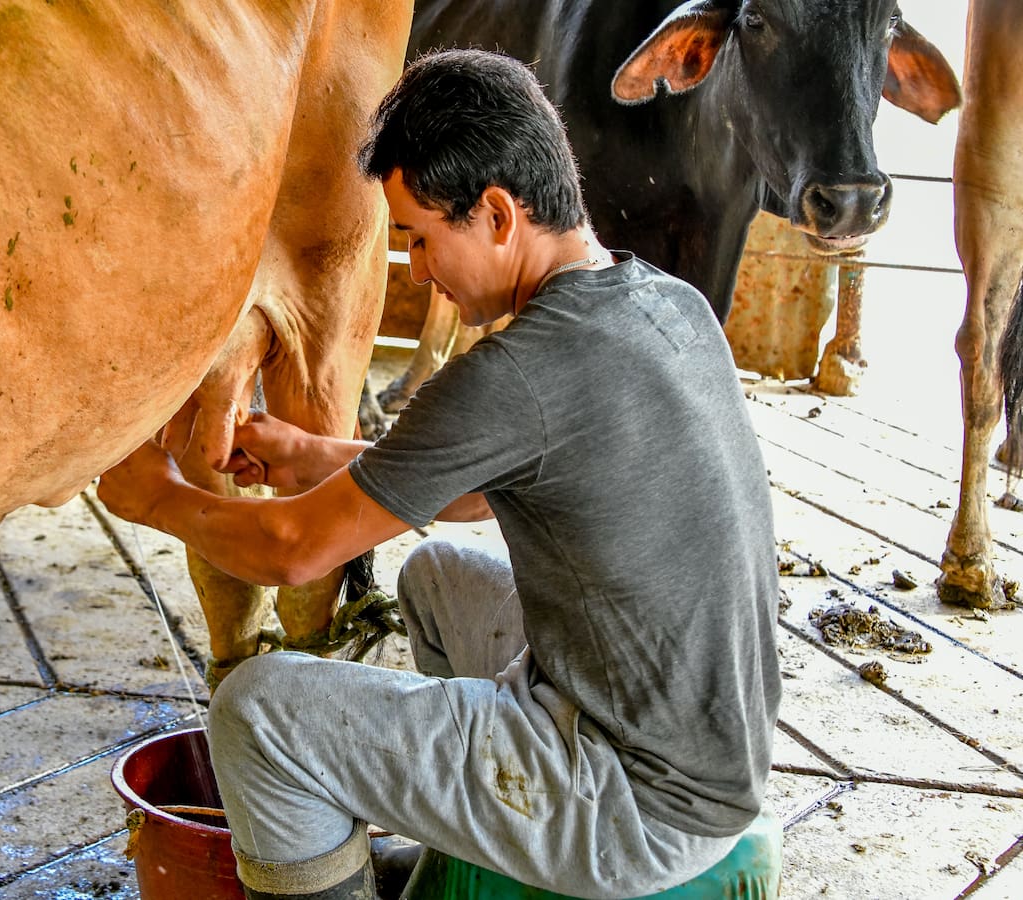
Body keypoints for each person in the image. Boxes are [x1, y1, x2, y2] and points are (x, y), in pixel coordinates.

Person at [97, 48, 781, 900]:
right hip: (709, 753)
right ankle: (452, 851)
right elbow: (475, 485)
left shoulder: (518, 370)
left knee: (259, 712)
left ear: (497, 213)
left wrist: (159, 497)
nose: (418, 272)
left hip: (632, 808)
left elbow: (293, 550)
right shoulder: (665, 302)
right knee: (434, 577)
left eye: (421, 238)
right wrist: (309, 455)